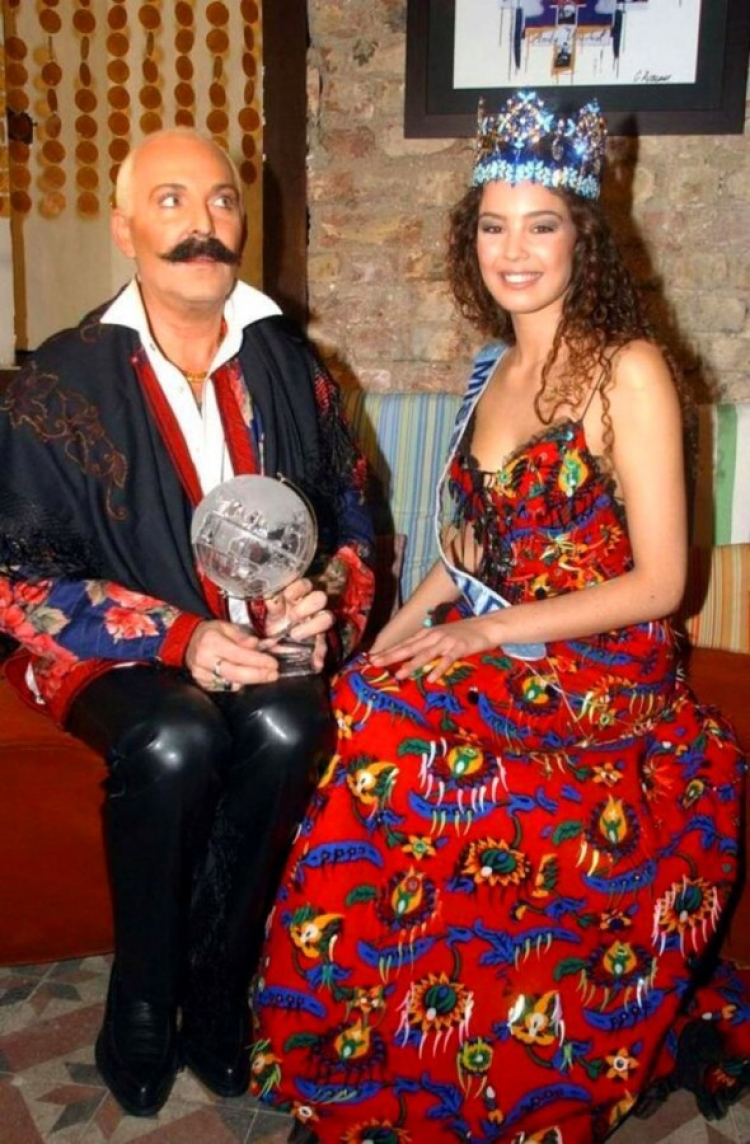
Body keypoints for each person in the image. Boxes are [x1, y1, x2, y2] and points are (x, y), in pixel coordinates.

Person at [250, 92, 750, 1141]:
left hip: (605, 664)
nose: (513, 251)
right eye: (492, 225)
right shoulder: (491, 370)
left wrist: (484, 632)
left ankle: (446, 1070)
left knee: (401, 746)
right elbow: (468, 552)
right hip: (506, 646)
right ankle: (368, 1051)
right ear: (468, 237)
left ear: (582, 237)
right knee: (358, 708)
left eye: (541, 224)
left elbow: (664, 583)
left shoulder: (628, 368)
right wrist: (389, 636)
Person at [0, 128, 375, 1117]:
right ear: (125, 228)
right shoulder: (57, 384)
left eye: (220, 201)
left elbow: (353, 516)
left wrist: (324, 599)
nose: (202, 224)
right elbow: (16, 580)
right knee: (176, 738)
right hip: (113, 652)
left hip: (259, 642)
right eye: (170, 201)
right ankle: (143, 990)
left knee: (293, 722)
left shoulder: (294, 365)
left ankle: (218, 982)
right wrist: (178, 638)